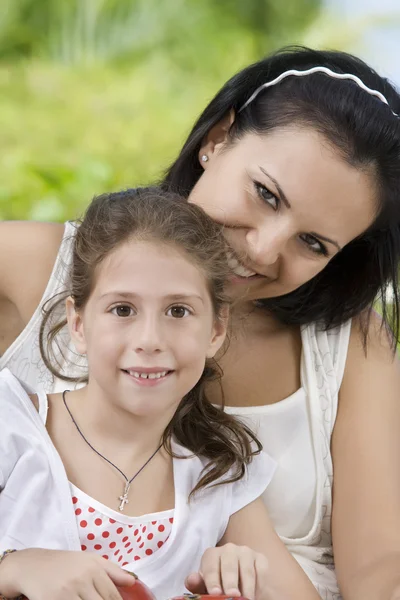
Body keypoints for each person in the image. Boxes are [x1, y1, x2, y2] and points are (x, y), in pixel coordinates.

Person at [1, 46, 400, 598]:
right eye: (265, 194)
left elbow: (381, 568)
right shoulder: (45, 273)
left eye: (313, 243)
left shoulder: (351, 346)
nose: (263, 251)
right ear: (216, 139)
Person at [0, 187, 321, 600]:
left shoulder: (218, 479)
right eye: (122, 310)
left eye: (178, 311)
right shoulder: (13, 427)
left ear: (216, 330)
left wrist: (246, 575)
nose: (150, 340)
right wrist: (16, 567)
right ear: (78, 324)